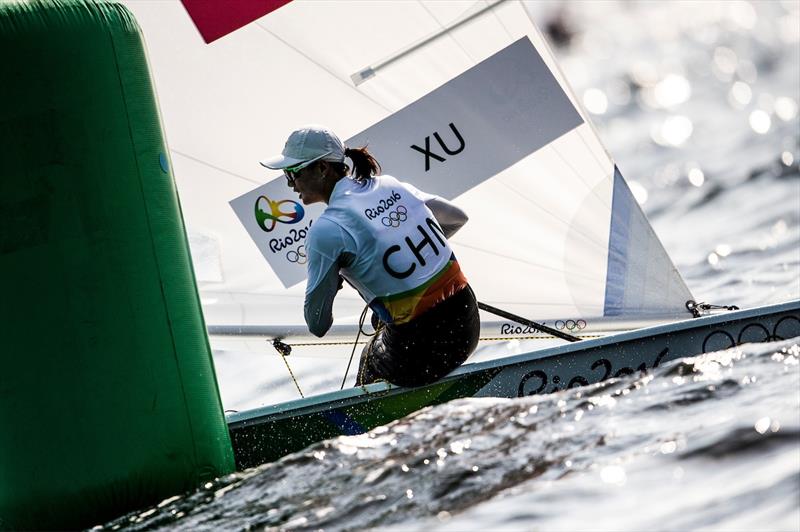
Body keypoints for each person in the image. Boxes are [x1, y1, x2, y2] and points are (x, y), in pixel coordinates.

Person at [260, 125, 479, 388]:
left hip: (423, 352)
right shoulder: (390, 185)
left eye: (293, 172)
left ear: (322, 169)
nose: (290, 183)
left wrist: (336, 282)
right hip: (468, 324)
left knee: (369, 355)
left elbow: (317, 324)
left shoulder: (326, 231)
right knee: (382, 323)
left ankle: (353, 427)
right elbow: (457, 218)